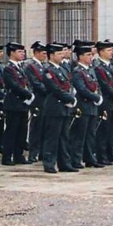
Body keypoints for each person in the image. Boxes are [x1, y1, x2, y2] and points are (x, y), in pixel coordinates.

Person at [41, 43, 78, 173]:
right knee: (52, 137)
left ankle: (64, 163)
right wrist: (69, 99)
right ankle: (49, 163)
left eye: (62, 53)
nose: (62, 55)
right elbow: (54, 88)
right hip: (54, 107)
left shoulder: (62, 69)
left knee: (64, 136)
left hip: (65, 107)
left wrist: (71, 97)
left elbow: (68, 84)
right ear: (51, 55)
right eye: (59, 53)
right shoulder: (48, 70)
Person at [1, 42, 35, 165]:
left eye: (23, 52)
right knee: (11, 131)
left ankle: (18, 155)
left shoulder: (21, 68)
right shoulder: (8, 68)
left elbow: (27, 84)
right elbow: (14, 86)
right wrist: (27, 95)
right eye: (19, 52)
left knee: (22, 131)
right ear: (11, 53)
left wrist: (29, 94)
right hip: (13, 103)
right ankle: (7, 156)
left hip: (23, 104)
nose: (22, 54)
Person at [69, 44, 103, 168]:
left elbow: (96, 85)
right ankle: (76, 159)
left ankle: (90, 158)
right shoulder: (78, 71)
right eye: (88, 55)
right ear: (81, 57)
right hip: (83, 106)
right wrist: (96, 97)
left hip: (92, 106)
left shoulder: (90, 70)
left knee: (90, 134)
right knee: (80, 135)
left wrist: (98, 96)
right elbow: (82, 89)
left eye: (91, 54)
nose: (91, 57)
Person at [93, 40, 113, 165]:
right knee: (103, 131)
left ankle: (110, 153)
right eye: (109, 50)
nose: (112, 52)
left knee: (112, 130)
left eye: (112, 50)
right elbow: (105, 86)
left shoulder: (111, 66)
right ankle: (102, 155)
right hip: (106, 102)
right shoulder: (98, 67)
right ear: (101, 52)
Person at [24, 41, 48, 163]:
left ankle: (43, 153)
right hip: (37, 99)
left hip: (46, 100)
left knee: (44, 127)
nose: (45, 55)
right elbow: (35, 83)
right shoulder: (30, 66)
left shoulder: (44, 66)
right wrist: (49, 90)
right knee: (36, 127)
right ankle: (33, 153)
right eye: (43, 53)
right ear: (37, 53)